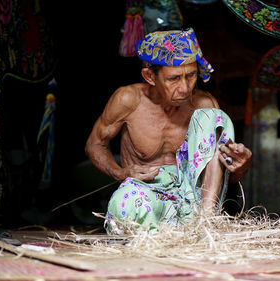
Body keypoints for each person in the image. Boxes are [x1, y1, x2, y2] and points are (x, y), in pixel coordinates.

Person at [85, 28, 251, 232]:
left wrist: (241, 166)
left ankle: (206, 225)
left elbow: (226, 177)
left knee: (212, 115)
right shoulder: (128, 100)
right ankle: (157, 239)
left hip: (193, 203)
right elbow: (95, 144)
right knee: (125, 203)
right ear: (149, 76)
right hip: (147, 193)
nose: (185, 88)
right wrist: (119, 172)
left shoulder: (203, 104)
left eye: (191, 76)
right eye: (174, 79)